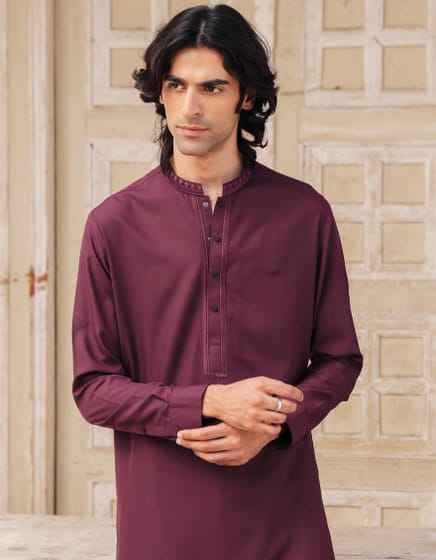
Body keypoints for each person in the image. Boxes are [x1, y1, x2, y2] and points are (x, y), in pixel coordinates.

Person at [71, 4, 363, 559]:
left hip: (284, 518)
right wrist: (209, 401)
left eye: (212, 87)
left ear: (246, 97)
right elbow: (94, 388)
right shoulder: (114, 224)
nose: (190, 107)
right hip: (162, 525)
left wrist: (273, 425)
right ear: (159, 93)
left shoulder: (303, 214)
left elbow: (340, 359)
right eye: (176, 85)